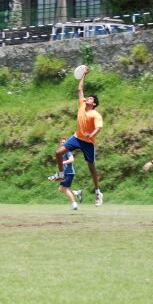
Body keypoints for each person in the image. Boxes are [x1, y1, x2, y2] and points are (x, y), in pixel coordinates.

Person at [49, 66, 104, 206]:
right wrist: (84, 74)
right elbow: (80, 90)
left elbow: (98, 128)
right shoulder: (81, 105)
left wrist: (90, 134)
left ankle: (98, 192)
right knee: (58, 152)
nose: (88, 98)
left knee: (91, 167)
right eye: (88, 97)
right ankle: (61, 174)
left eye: (90, 98)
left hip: (88, 142)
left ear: (94, 103)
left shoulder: (95, 114)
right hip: (77, 138)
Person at [56, 137, 83, 210]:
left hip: (69, 172)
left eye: (64, 142)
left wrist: (62, 163)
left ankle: (74, 205)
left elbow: (72, 159)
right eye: (61, 142)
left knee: (64, 189)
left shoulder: (67, 151)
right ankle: (76, 193)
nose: (62, 143)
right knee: (61, 189)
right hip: (65, 173)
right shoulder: (61, 152)